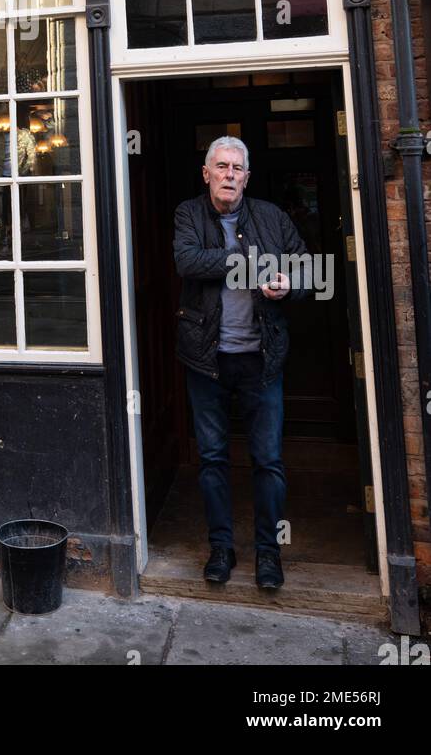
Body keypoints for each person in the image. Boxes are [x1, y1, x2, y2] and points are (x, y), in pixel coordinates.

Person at [172, 135, 310, 591]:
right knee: (212, 459)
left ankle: (269, 556)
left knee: (268, 460)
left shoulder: (271, 216)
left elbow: (310, 268)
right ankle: (222, 549)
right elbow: (188, 261)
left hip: (261, 360)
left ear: (247, 178)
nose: (230, 174)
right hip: (207, 361)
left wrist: (288, 283)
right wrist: (248, 260)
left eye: (237, 168)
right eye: (222, 167)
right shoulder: (189, 214)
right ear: (206, 174)